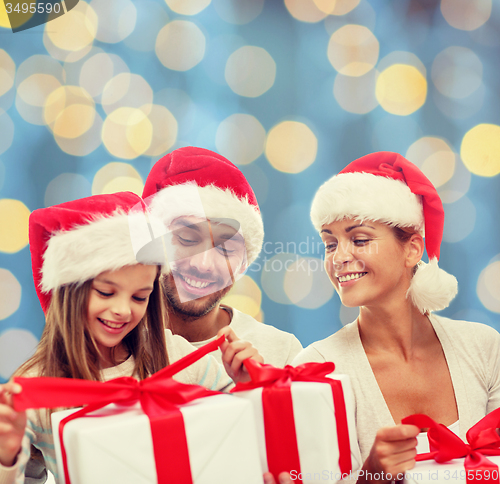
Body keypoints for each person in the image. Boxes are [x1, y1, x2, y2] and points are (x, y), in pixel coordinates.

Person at [0, 191, 261, 484]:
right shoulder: (37, 387)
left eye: (139, 297)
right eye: (106, 292)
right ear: (69, 290)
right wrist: (6, 456)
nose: (123, 310)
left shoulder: (176, 356)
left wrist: (249, 388)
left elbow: (241, 439)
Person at [292, 151, 500, 483]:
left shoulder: (484, 347)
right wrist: (371, 477)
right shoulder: (317, 370)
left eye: (359, 239)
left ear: (413, 249)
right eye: (330, 244)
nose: (339, 257)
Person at [142, 146, 303, 368]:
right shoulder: (104, 343)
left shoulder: (281, 354)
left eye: (226, 249)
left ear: (244, 264)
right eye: (187, 239)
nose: (203, 264)